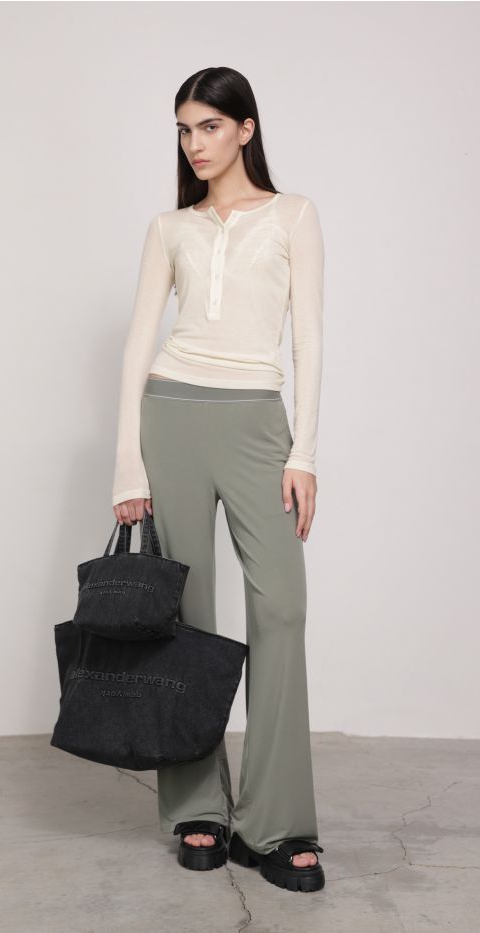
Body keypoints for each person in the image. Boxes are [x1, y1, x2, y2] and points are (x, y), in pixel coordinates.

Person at [111, 66, 325, 893]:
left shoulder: (294, 215)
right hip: (171, 414)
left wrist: (303, 453)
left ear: (245, 128)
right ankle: (198, 807)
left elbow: (309, 340)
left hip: (257, 422)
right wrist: (127, 464)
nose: (194, 143)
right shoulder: (171, 227)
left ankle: (276, 820)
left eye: (208, 126)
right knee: (186, 613)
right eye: (183, 129)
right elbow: (138, 343)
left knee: (281, 606)